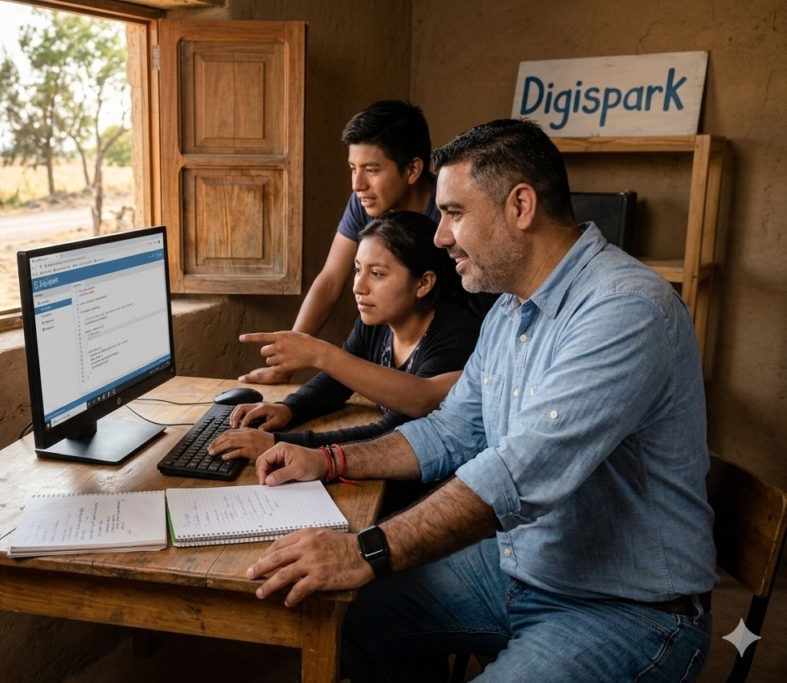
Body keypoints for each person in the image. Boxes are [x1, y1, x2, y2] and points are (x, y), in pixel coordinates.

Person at [242, 119, 717, 682]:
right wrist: (328, 460)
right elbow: (450, 432)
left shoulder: (626, 309)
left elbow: (515, 475)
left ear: (521, 206)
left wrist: (363, 549)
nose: (440, 236)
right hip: (523, 568)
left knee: (362, 579)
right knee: (359, 621)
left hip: (625, 608)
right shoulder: (509, 310)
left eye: (455, 213)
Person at [208, 211, 480, 462]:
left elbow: (392, 432)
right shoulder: (378, 321)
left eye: (377, 274)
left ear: (423, 283)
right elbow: (337, 381)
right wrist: (288, 408)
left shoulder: (454, 334)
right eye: (357, 270)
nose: (359, 287)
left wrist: (280, 442)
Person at [239, 100, 441, 387]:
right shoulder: (367, 202)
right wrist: (286, 360)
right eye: (352, 168)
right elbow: (332, 279)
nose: (357, 184)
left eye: (371, 170)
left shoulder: (449, 212)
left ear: (412, 170)